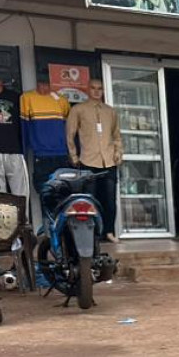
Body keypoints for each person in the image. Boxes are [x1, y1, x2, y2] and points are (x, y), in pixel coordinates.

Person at [66, 78, 123, 241]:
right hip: (88, 160)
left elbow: (116, 135)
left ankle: (109, 231)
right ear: (87, 89)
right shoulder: (78, 109)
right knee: (90, 200)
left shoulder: (110, 111)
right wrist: (74, 156)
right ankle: (93, 233)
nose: (97, 91)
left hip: (109, 161)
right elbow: (70, 134)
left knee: (110, 200)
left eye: (100, 88)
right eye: (93, 88)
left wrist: (119, 152)